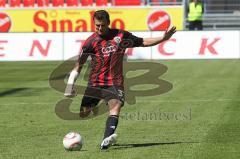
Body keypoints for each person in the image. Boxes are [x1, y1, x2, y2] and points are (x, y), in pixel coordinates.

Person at [64, 10, 176, 150]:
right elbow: (78, 65)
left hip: (114, 83)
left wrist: (163, 38)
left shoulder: (121, 36)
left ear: (108, 23)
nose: (99, 28)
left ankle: (106, 140)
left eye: (102, 25)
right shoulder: (90, 42)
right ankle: (100, 105)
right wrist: (70, 85)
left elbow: (143, 42)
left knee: (116, 105)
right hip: (95, 84)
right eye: (97, 25)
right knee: (84, 113)